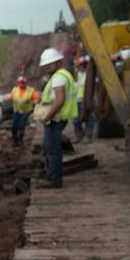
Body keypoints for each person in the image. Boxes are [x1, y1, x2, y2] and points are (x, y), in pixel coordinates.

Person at [34, 46, 77, 188]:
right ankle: (52, 176)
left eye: (49, 64)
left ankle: (54, 179)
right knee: (49, 147)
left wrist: (47, 116)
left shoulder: (58, 77)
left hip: (55, 118)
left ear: (58, 62)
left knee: (52, 149)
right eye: (45, 65)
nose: (46, 67)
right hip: (57, 118)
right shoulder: (61, 75)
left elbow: (60, 100)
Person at [8, 76, 40, 146]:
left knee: (21, 126)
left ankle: (20, 140)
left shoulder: (30, 90)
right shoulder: (15, 90)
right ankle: (14, 140)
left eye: (23, 84)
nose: (21, 85)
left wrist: (36, 101)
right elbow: (10, 97)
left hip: (25, 112)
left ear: (26, 83)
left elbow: (37, 98)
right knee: (14, 127)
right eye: (20, 84)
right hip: (16, 111)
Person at [72, 55, 90, 142]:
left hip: (85, 101)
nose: (78, 67)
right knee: (76, 119)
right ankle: (79, 136)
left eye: (80, 66)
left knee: (88, 118)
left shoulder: (89, 75)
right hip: (77, 100)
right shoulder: (78, 75)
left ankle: (88, 136)